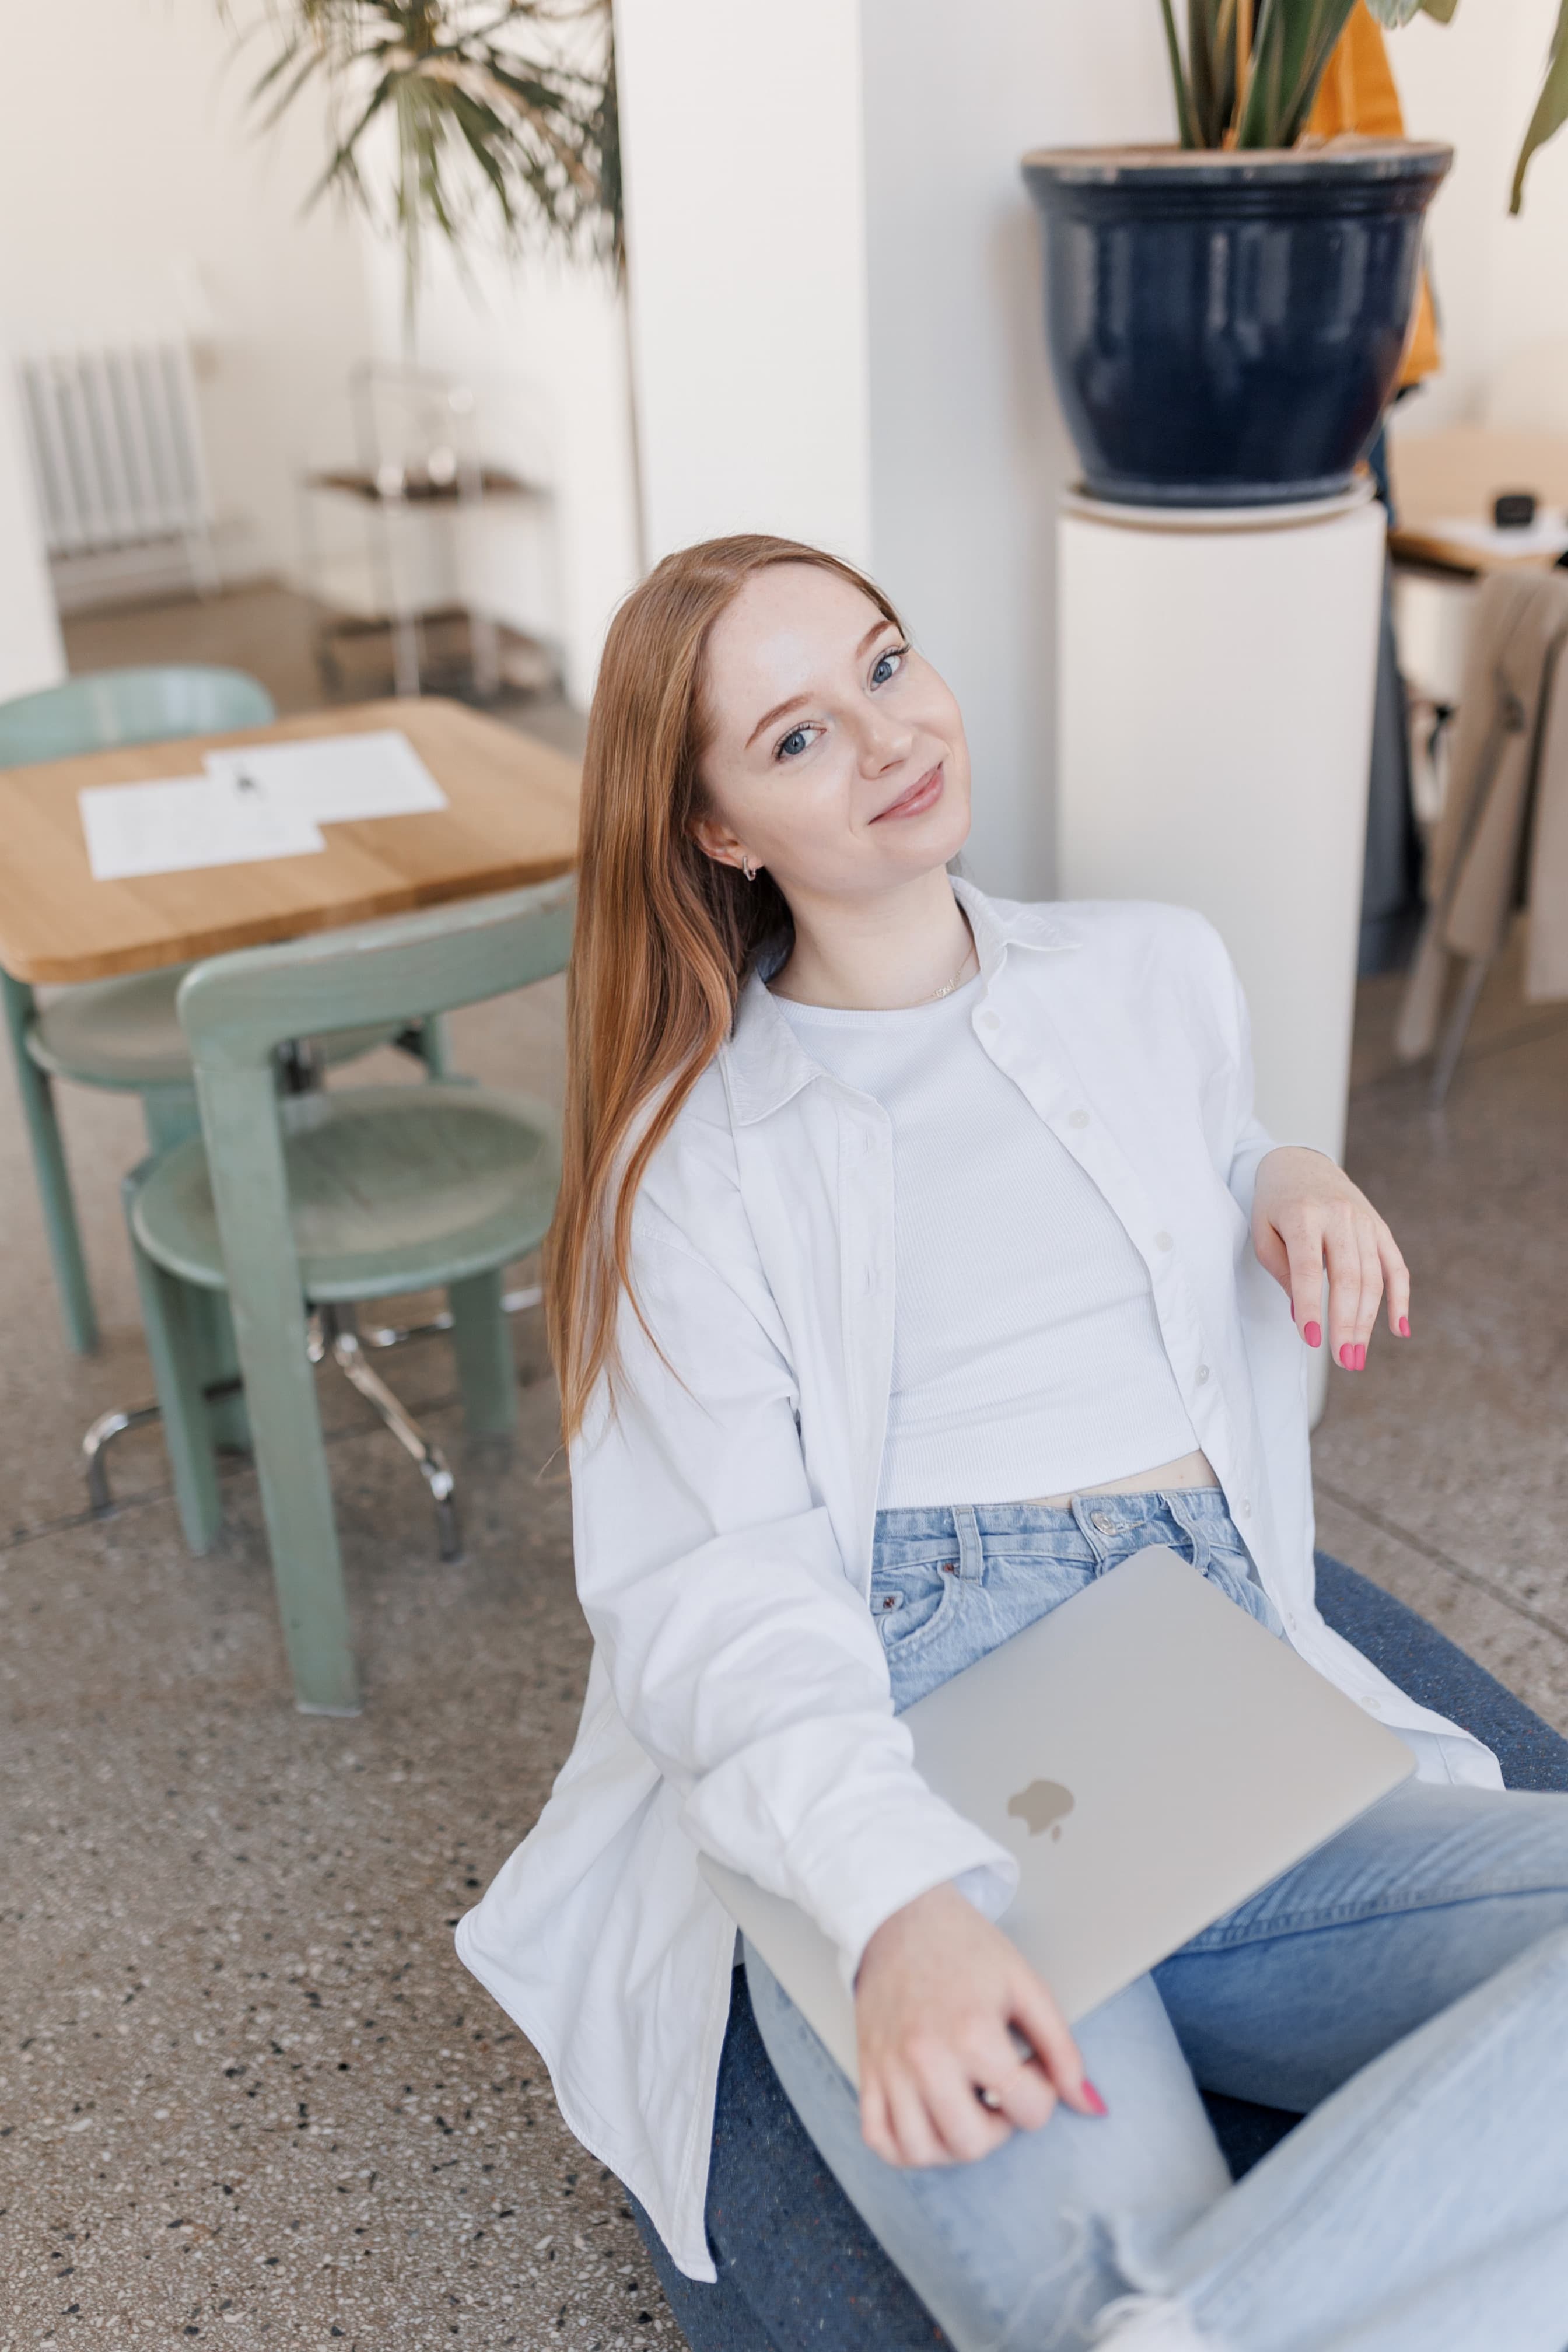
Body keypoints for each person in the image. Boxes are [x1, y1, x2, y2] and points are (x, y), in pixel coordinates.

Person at [458, 535, 1568, 2351]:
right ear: (721, 829)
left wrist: (1279, 1171)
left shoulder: (1157, 968)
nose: (891, 739)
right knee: (1094, 2290)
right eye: (799, 738)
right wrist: (899, 1906)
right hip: (921, 1734)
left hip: (1221, 1689)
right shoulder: (688, 1164)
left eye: (887, 667)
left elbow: (1189, 1148)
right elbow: (713, 1592)